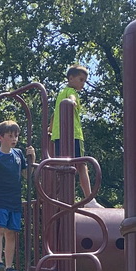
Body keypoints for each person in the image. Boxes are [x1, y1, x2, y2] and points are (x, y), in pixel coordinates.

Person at [0, 120, 35, 271]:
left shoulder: (18, 153)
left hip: (14, 198)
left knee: (11, 232)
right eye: (10, 136)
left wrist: (32, 158)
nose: (14, 139)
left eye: (16, 136)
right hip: (0, 196)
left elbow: (27, 174)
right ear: (0, 137)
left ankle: (9, 266)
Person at [49, 64, 100, 206]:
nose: (83, 84)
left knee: (63, 167)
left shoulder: (60, 94)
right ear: (71, 78)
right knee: (81, 165)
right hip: (73, 135)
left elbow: (55, 114)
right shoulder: (71, 92)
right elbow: (72, 99)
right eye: (81, 79)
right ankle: (89, 198)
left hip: (59, 136)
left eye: (84, 81)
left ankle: (61, 197)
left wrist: (50, 128)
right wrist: (72, 101)